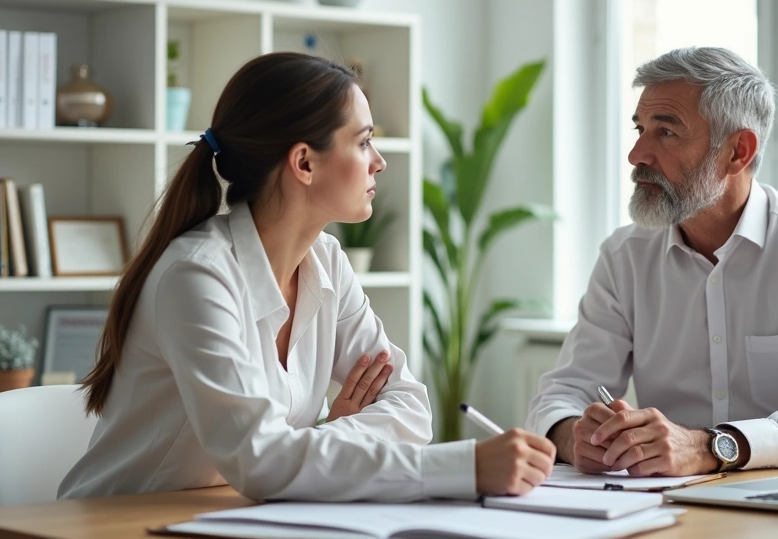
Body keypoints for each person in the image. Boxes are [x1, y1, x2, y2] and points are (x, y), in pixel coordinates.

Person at [60, 52, 554, 502]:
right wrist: (460, 467)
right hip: (116, 525)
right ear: (304, 163)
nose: (379, 162)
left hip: (231, 517)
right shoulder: (197, 278)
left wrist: (311, 445)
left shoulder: (327, 262)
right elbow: (259, 459)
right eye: (363, 142)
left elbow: (409, 406)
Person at [526, 46, 778, 477]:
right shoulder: (624, 257)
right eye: (639, 129)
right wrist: (574, 433)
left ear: (737, 151)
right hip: (667, 503)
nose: (637, 155)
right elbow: (563, 391)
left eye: (666, 132)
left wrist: (711, 447)